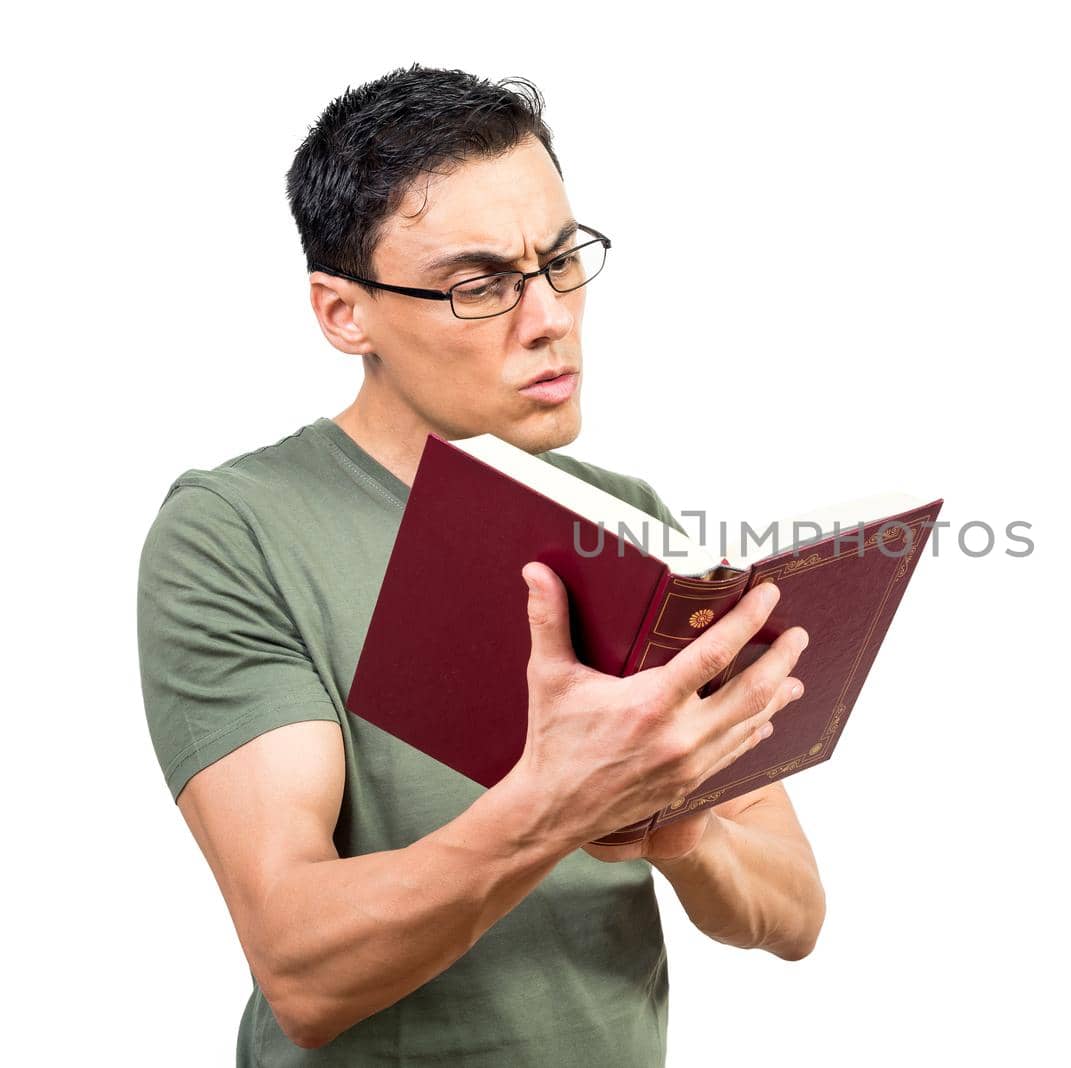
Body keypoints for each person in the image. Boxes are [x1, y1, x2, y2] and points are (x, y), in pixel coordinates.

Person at [135, 64, 825, 1066]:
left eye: (559, 260)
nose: (548, 317)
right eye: (480, 284)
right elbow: (301, 967)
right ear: (343, 314)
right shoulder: (236, 532)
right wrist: (562, 801)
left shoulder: (623, 518)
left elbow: (794, 911)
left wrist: (686, 834)